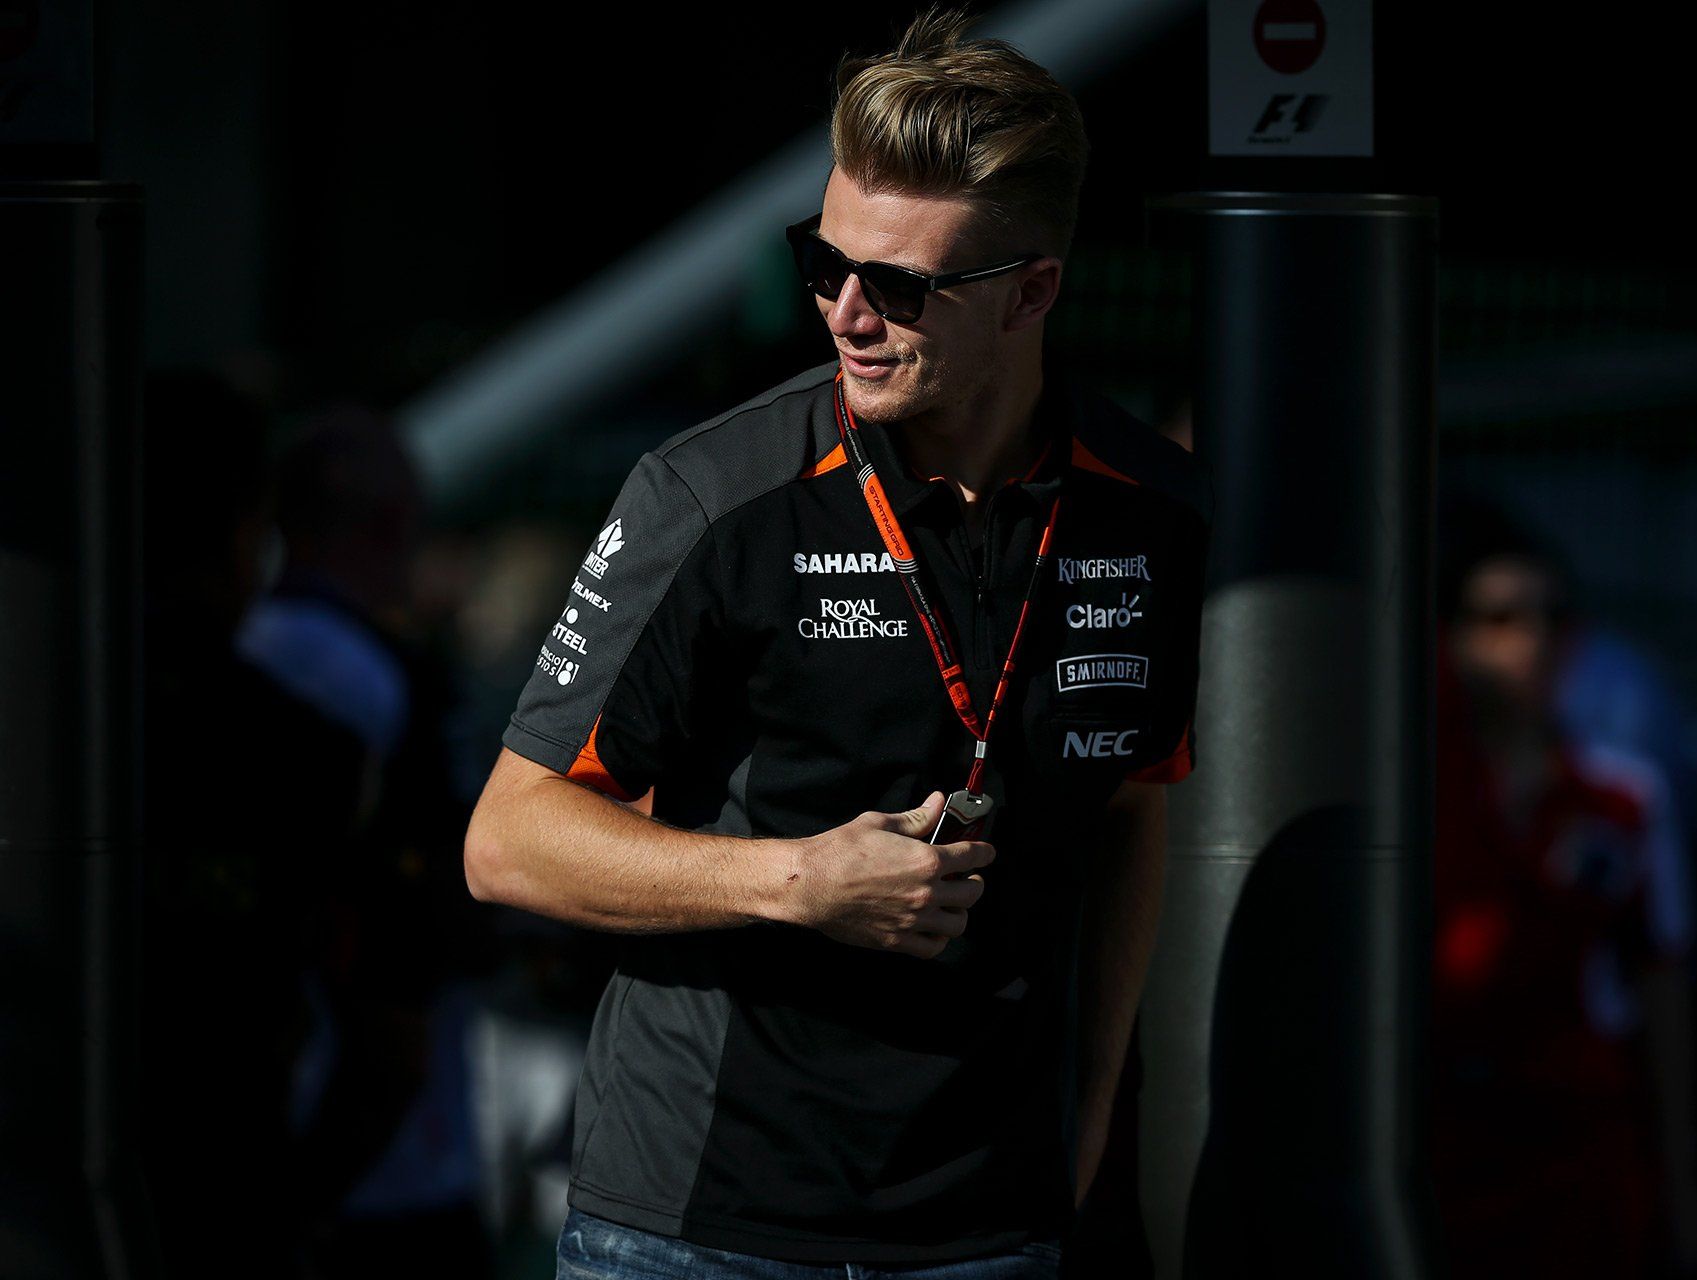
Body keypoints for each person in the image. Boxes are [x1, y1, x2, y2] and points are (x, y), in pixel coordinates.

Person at [462, 9, 1212, 1278]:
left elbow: (1139, 809)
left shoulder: (1149, 510)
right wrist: (796, 880)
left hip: (989, 1227)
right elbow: (508, 839)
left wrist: (1091, 1112)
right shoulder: (714, 494)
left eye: (901, 284)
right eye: (823, 260)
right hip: (697, 1226)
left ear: (1034, 290)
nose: (846, 313)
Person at [1430, 493, 1697, 1278]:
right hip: (1446, 1143)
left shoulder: (1625, 797)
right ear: (1449, 637)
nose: (1534, 641)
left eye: (1554, 617)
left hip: (1580, 1143)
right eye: (1500, 618)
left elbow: (1662, 984)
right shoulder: (1410, 799)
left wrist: (1682, 1185)